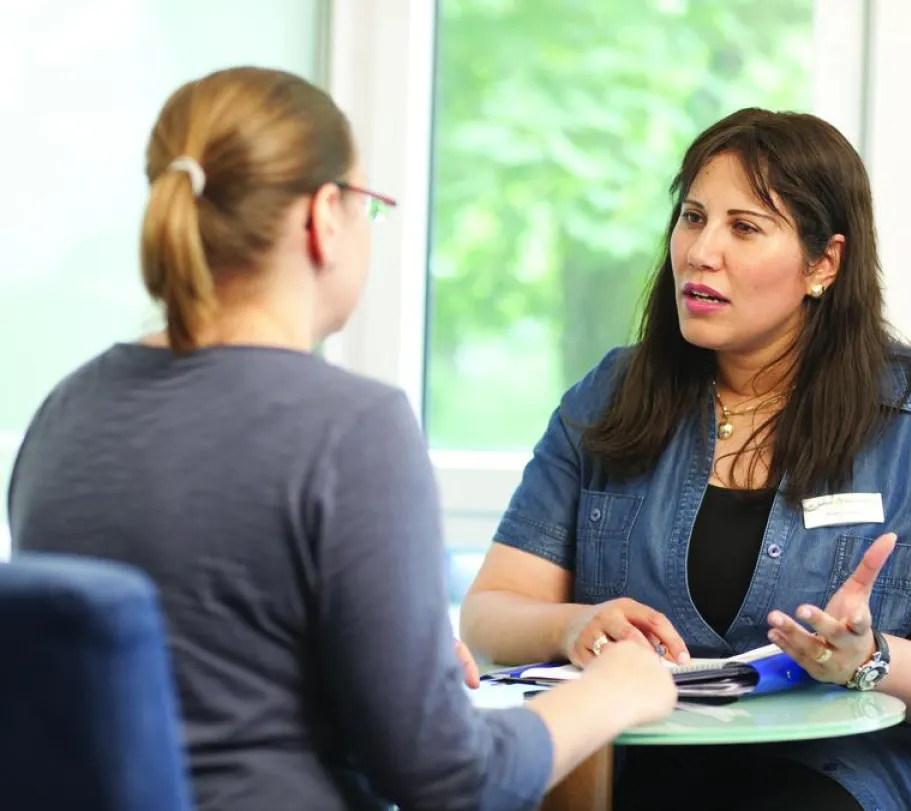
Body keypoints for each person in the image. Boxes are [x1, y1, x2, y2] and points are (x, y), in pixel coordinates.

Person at [6, 66, 677, 811]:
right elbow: (455, 779)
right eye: (369, 205)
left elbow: (208, 674)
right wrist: (615, 691)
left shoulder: (65, 412)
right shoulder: (351, 429)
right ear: (325, 215)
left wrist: (392, 673)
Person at [460, 108, 911, 811]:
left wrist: (871, 656)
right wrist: (570, 624)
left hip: (834, 768)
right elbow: (489, 614)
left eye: (744, 227)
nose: (702, 252)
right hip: (631, 750)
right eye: (693, 217)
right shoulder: (609, 397)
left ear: (824, 262)